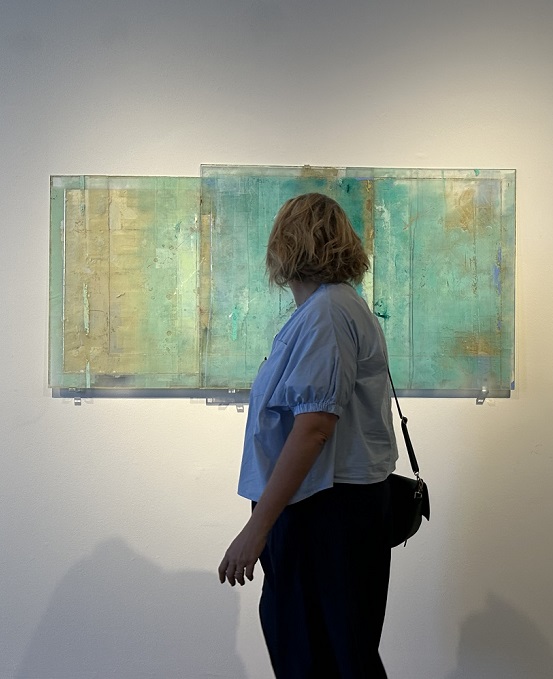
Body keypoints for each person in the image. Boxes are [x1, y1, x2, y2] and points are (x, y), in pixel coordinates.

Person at [218, 192, 399, 678]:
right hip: (330, 507)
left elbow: (315, 428)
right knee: (333, 653)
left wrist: (256, 531)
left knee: (318, 657)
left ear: (286, 245)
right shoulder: (333, 307)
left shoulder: (327, 313)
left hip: (326, 510)